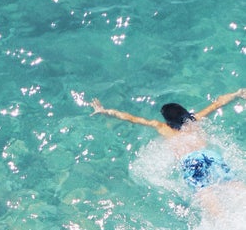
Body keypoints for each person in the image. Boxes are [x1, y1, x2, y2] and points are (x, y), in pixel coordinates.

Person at [89, 90, 246, 220]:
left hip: (191, 162)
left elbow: (132, 118)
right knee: (233, 183)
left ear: (168, 120)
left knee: (207, 195)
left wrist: (105, 111)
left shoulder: (162, 127)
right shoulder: (195, 120)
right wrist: (238, 93)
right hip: (209, 156)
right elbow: (218, 103)